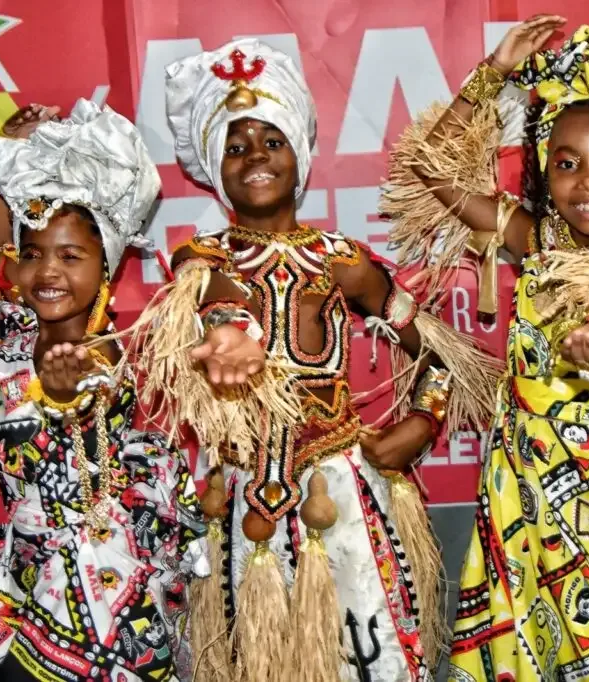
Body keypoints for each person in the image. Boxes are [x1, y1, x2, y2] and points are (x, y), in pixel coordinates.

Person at [123, 39, 502, 682]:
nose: (255, 158)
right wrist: (227, 333)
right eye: (236, 147)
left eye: (271, 141)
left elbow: (442, 355)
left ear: (299, 153)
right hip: (245, 505)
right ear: (216, 168)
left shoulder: (343, 261)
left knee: (372, 654)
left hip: (346, 496)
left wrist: (424, 420)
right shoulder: (201, 261)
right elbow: (221, 303)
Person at [380, 15, 589, 682]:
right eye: (567, 163)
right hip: (524, 498)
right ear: (542, 171)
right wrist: (491, 75)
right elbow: (425, 169)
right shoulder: (534, 240)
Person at [0, 99, 208, 681]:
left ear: (105, 265)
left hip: (108, 598)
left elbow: (78, 389)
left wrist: (60, 391)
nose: (47, 271)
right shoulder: (18, 328)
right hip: (30, 593)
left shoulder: (104, 352)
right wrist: (9, 158)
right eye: (34, 256)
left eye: (70, 256)